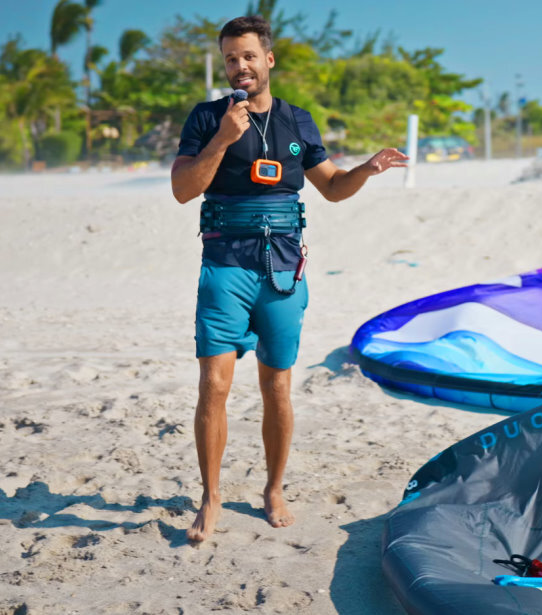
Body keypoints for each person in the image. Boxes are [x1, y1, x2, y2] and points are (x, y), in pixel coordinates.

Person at [170, 15, 407, 541]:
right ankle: (211, 498)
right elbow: (184, 189)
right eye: (231, 58)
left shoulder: (298, 122)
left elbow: (333, 188)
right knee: (213, 385)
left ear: (268, 59)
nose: (240, 67)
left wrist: (366, 169)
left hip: (282, 272)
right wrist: (220, 142)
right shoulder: (208, 118)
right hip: (224, 269)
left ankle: (273, 489)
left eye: (249, 56)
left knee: (277, 385)